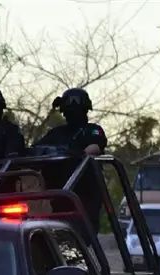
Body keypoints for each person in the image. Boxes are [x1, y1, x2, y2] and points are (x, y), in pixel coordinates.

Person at [35, 88, 109, 235]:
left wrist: (76, 155)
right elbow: (37, 150)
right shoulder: (55, 133)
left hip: (85, 192)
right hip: (60, 193)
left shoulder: (92, 130)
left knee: (82, 234)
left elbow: (95, 146)